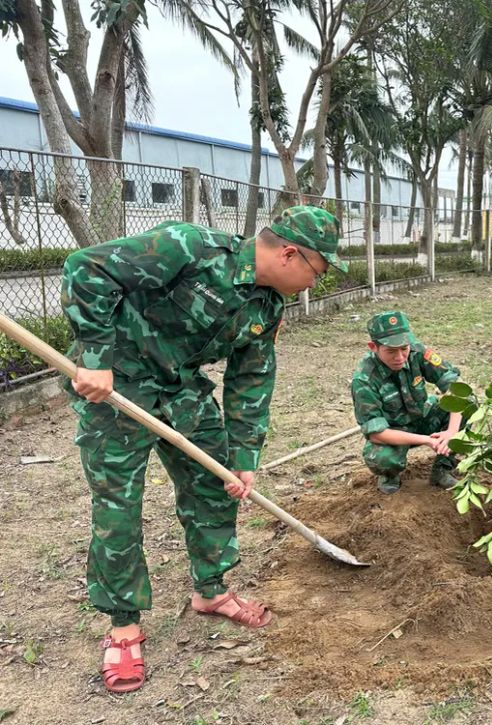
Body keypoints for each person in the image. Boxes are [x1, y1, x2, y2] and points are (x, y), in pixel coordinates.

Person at [62, 205, 348, 693]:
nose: (313, 285)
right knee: (119, 507)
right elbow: (86, 267)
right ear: (289, 254)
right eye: (316, 273)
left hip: (181, 390)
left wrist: (244, 458)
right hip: (118, 386)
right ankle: (124, 627)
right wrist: (95, 357)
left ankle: (210, 591)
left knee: (217, 484)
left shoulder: (266, 306)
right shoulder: (189, 247)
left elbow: (251, 379)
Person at [351, 311, 462, 494]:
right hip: (394, 433)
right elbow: (376, 434)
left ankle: (442, 469)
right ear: (374, 347)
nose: (400, 357)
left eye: (404, 348)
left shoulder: (417, 351)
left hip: (424, 417)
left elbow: (456, 388)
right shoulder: (364, 379)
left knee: (469, 405)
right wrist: (426, 441)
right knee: (382, 458)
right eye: (391, 351)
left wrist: (451, 433)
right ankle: (390, 475)